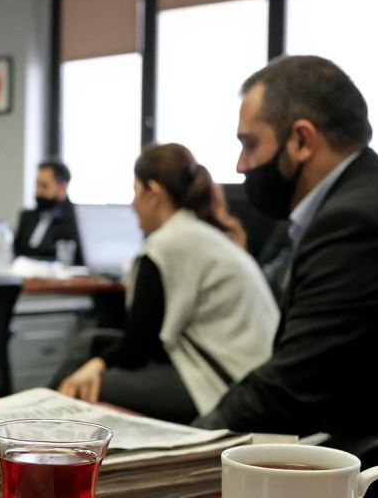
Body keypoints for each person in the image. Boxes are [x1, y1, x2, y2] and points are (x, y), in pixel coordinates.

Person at [195, 55, 378, 441]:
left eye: (249, 144)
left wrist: (180, 449)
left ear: (302, 140)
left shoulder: (359, 222)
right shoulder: (374, 194)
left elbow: (290, 388)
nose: (241, 165)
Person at [55, 144, 278, 422]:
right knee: (88, 343)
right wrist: (97, 359)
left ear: (154, 194)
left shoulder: (165, 245)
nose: (133, 206)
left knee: (86, 385)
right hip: (246, 374)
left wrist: (97, 365)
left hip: (221, 383)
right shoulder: (204, 234)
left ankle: (40, 429)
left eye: (135, 193)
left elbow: (138, 348)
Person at [14, 159, 82, 262]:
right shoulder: (27, 217)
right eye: (37, 185)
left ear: (62, 187)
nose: (38, 191)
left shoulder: (76, 219)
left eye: (44, 186)